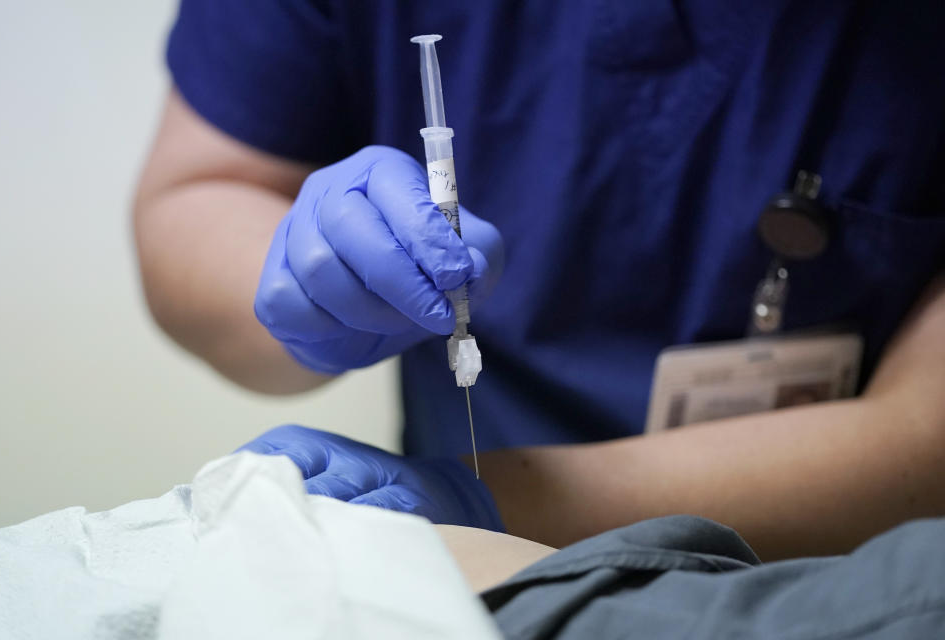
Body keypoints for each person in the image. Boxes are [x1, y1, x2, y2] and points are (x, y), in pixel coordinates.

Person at [134, 1, 945, 560]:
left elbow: (928, 434)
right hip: (473, 556)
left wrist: (489, 506)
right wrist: (306, 282)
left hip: (842, 566)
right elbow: (204, 189)